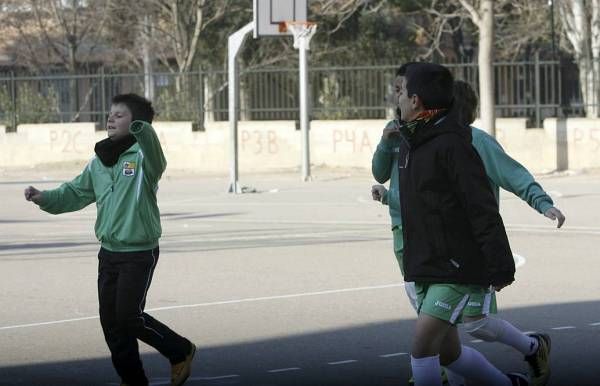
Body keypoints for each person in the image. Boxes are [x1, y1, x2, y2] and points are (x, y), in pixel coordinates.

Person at [373, 80, 564, 386]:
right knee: (446, 348)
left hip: (463, 253)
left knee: (470, 326)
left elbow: (512, 174)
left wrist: (542, 202)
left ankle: (531, 347)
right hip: (420, 249)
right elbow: (414, 193)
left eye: (408, 94)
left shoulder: (473, 142)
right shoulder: (413, 140)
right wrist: (387, 195)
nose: (403, 100)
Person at [24, 94, 195, 386]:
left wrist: (142, 129)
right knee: (112, 324)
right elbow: (75, 193)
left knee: (129, 316)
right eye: (110, 114)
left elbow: (156, 152)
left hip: (139, 252)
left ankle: (180, 350)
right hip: (109, 253)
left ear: (137, 123)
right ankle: (133, 380)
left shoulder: (144, 158)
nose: (110, 118)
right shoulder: (99, 162)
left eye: (119, 115)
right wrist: (44, 198)